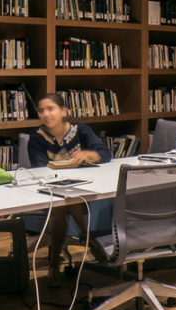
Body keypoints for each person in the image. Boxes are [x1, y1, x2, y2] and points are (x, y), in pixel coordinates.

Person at [25, 91, 113, 240]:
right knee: (63, 204)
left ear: (63, 111)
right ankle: (88, 238)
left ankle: (56, 259)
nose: (46, 114)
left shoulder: (81, 130)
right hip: (51, 189)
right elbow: (40, 168)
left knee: (65, 203)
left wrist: (89, 155)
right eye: (41, 111)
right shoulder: (37, 136)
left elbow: (105, 154)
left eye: (51, 109)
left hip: (85, 186)